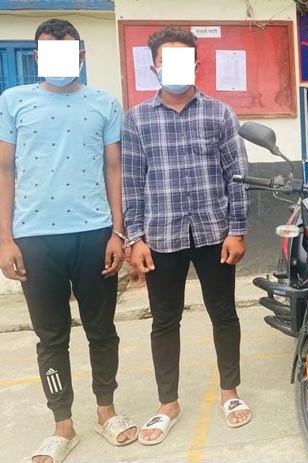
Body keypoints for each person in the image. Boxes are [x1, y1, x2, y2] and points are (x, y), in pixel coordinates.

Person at [0, 18, 137, 463]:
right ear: (37, 57)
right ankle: (62, 424)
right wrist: (5, 239)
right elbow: (4, 170)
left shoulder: (104, 103)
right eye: (49, 53)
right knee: (51, 337)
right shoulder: (13, 101)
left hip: (94, 234)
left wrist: (118, 232)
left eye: (68, 53)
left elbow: (114, 169)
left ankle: (106, 410)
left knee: (102, 330)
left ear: (80, 56)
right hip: (35, 238)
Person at [122, 27, 251, 445]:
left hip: (215, 232)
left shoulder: (219, 114)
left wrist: (237, 230)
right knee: (165, 320)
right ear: (154, 67)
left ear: (195, 65)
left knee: (223, 313)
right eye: (166, 62)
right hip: (161, 235)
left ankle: (229, 391)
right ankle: (168, 403)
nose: (174, 69)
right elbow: (131, 182)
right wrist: (135, 239)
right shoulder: (137, 119)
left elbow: (237, 177)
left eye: (183, 61)